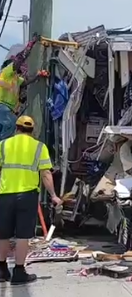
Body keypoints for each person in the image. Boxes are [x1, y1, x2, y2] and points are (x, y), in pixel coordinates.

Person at [0, 116, 62, 285]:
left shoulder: (3, 144)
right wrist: (54, 195)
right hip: (27, 195)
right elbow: (46, 173)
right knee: (22, 236)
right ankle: (19, 272)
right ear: (32, 130)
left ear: (16, 128)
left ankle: (1, 269)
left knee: (3, 234)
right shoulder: (39, 147)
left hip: (5, 194)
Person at [0, 36, 48, 141]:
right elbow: (20, 60)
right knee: (12, 124)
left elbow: (26, 82)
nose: (23, 69)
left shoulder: (17, 79)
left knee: (8, 127)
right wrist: (29, 47)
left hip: (7, 109)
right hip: (2, 106)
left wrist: (38, 75)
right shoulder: (7, 72)